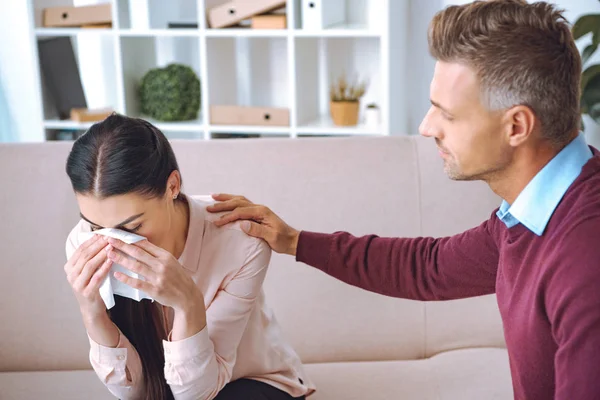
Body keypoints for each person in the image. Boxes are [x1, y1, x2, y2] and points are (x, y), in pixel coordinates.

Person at [206, 1, 600, 399]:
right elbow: (429, 268)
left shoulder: (584, 260)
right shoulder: (537, 210)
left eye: (445, 113)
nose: (426, 127)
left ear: (516, 125)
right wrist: (294, 240)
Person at [62, 114, 314, 400]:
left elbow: (198, 392)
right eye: (95, 226)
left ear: (172, 186)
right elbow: (133, 392)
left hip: (250, 381)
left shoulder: (241, 241)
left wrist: (188, 304)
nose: (114, 243)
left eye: (132, 227)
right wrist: (91, 312)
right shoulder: (83, 244)